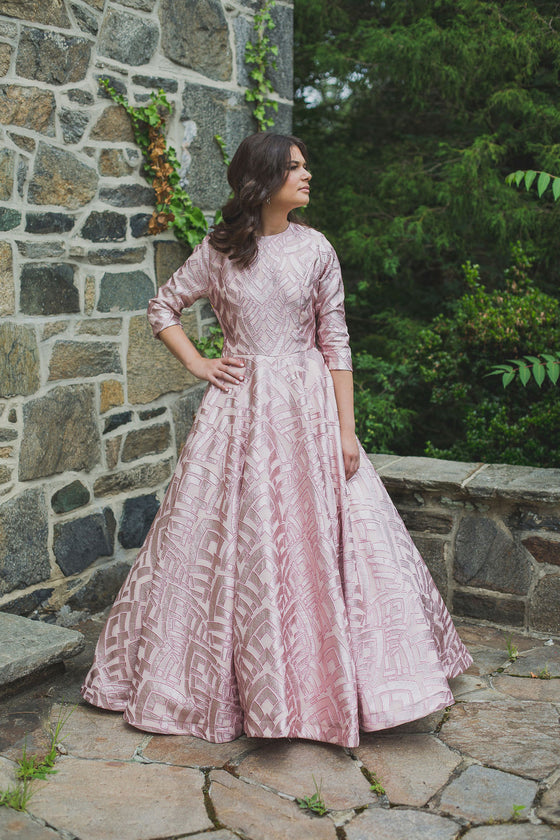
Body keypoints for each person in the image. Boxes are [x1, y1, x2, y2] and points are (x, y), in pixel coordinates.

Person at [81, 133, 472, 747]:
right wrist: (202, 363)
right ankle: (214, 687)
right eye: (294, 166)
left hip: (308, 412)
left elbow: (336, 342)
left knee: (323, 539)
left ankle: (347, 685)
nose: (308, 173)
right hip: (237, 414)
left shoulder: (316, 249)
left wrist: (347, 431)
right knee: (220, 541)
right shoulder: (218, 252)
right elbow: (163, 308)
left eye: (306, 164)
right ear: (262, 181)